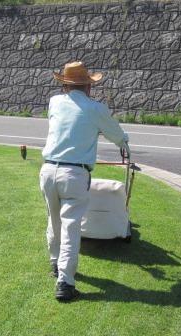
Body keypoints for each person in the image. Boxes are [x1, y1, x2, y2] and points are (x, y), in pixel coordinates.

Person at [40, 61, 129, 301]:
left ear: (65, 85)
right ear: (88, 86)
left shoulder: (55, 102)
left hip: (48, 170)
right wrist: (124, 142)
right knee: (70, 226)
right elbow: (116, 134)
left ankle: (55, 263)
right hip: (74, 174)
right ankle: (65, 283)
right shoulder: (95, 108)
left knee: (53, 218)